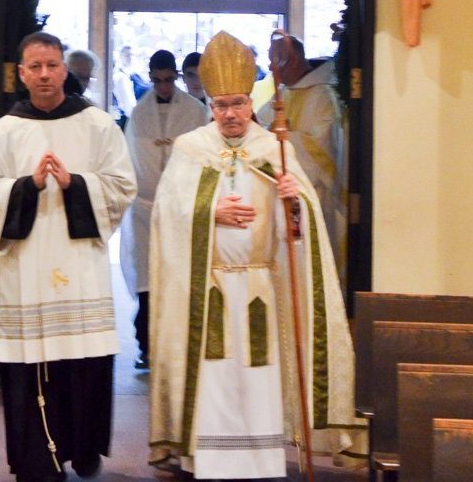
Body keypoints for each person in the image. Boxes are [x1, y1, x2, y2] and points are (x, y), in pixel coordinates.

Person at [149, 31, 363, 478]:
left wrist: (295, 202)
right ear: (210, 106)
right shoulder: (192, 151)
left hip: (261, 287)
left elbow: (303, 230)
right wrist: (209, 212)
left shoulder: (275, 148)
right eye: (222, 105)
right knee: (215, 377)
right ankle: (204, 457)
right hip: (209, 289)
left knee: (256, 377)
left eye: (239, 104)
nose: (231, 114)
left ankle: (262, 461)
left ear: (251, 102)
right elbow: (166, 216)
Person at [0, 31, 137, 482]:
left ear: (64, 69)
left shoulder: (98, 124)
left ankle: (84, 450)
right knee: (30, 369)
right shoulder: (5, 131)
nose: (44, 75)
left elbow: (123, 186)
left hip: (79, 266)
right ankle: (35, 460)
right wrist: (25, 187)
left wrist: (74, 184)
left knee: (83, 364)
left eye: (52, 65)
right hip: (25, 268)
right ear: (21, 74)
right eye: (35, 67)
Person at [119, 49, 208, 369]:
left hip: (181, 209)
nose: (163, 88)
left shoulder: (196, 112)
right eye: (156, 81)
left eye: (169, 80)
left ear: (176, 77)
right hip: (145, 210)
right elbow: (129, 158)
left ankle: (179, 343)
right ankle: (146, 344)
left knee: (179, 276)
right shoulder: (139, 113)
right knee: (148, 280)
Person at [258, 33, 348, 285]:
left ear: (294, 59)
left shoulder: (323, 95)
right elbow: (259, 125)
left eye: (276, 60)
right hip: (282, 194)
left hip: (314, 195)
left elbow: (323, 147)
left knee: (312, 271)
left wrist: (281, 137)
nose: (272, 69)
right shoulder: (285, 93)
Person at [112, 45, 137, 125]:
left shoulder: (131, 74)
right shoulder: (121, 76)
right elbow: (128, 103)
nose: (130, 58)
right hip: (126, 118)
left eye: (131, 55)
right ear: (121, 56)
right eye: (127, 55)